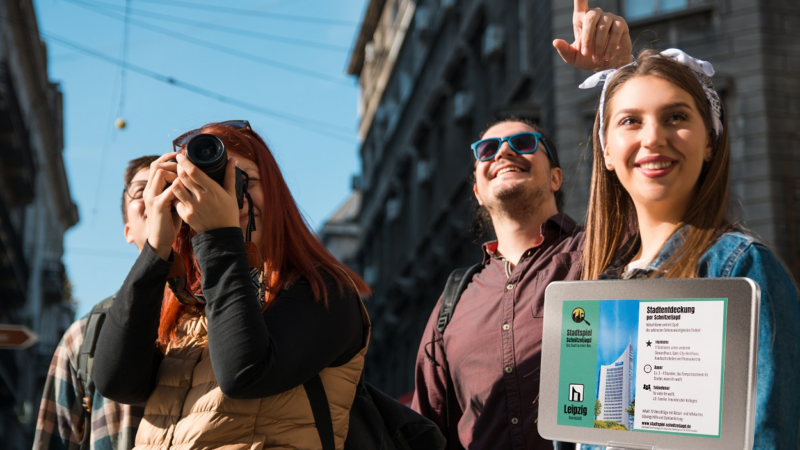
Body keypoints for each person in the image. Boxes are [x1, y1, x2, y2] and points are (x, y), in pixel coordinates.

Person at [410, 4, 635, 448]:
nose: (504, 152)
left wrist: (620, 75)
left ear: (555, 177)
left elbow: (643, 185)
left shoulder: (604, 250)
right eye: (488, 149)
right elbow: (424, 433)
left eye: (524, 143)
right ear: (477, 189)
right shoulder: (452, 305)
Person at [91, 121, 371, 450]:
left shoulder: (324, 291)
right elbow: (117, 382)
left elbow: (244, 374)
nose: (226, 195)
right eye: (207, 182)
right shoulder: (189, 305)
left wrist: (219, 236)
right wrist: (157, 247)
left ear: (275, 193)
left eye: (241, 180)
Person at [578, 48, 800, 448]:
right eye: (630, 121)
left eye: (676, 117)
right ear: (607, 150)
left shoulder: (742, 267)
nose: (653, 137)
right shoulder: (596, 290)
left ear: (710, 140)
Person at [34, 155, 158, 450]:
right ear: (128, 230)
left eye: (170, 185)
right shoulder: (85, 336)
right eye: (142, 190)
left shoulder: (230, 316)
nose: (157, 197)